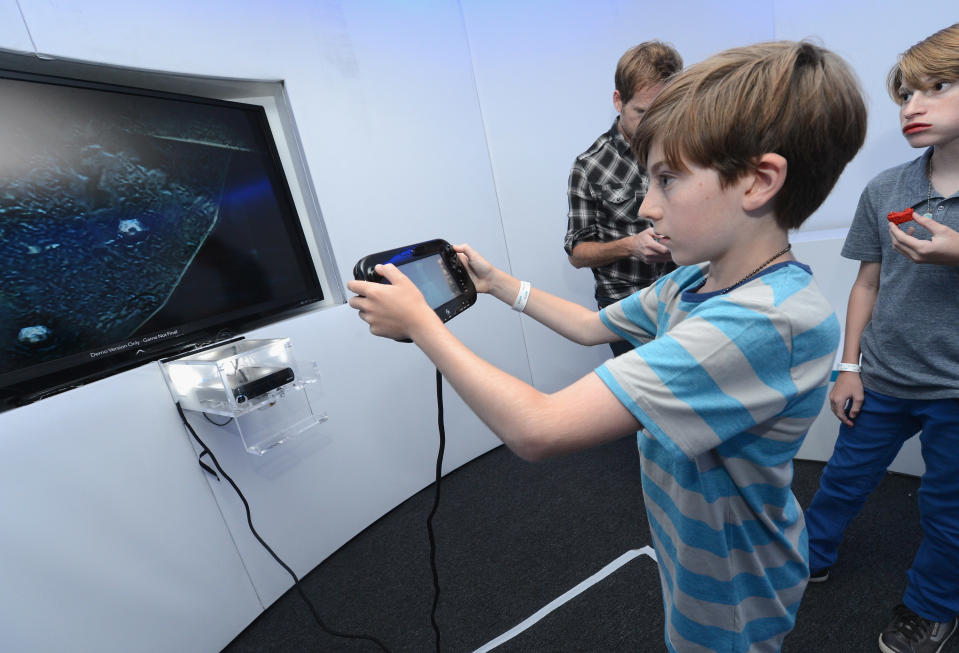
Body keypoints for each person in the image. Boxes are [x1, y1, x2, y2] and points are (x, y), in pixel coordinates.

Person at [349, 41, 866, 652]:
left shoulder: (764, 322)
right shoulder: (695, 279)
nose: (647, 207)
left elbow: (537, 429)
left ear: (758, 181)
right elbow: (593, 326)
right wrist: (492, 284)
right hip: (692, 546)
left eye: (667, 180)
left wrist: (424, 327)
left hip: (733, 581)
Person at [803, 23, 959, 653]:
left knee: (947, 513)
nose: (911, 106)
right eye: (904, 95)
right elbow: (866, 282)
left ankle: (931, 607)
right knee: (842, 478)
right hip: (885, 376)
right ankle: (808, 555)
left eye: (937, 86)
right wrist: (849, 366)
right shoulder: (885, 188)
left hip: (956, 392)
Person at [564, 41, 682, 356]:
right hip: (626, 310)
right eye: (642, 112)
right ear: (618, 101)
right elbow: (577, 252)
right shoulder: (590, 166)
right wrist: (632, 246)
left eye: (664, 111)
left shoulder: (689, 150)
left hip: (688, 296)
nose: (654, 124)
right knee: (642, 404)